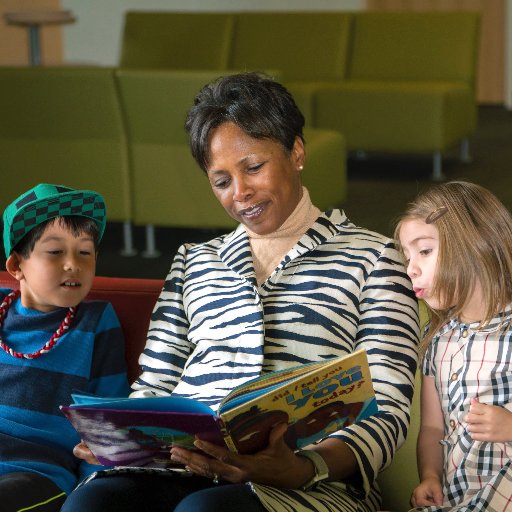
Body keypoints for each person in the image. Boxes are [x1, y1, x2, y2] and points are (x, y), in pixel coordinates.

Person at [63, 72, 419, 512]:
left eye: (253, 167)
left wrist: (303, 467)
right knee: (94, 502)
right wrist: (119, 440)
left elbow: (385, 406)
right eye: (221, 181)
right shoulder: (196, 259)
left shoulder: (375, 258)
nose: (241, 193)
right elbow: (155, 384)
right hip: (178, 468)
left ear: (297, 152)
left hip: (307, 484)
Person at [0, 183, 130, 511]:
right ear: (17, 266)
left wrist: (93, 487)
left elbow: (106, 417)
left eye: (85, 252)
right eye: (55, 252)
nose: (73, 264)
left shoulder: (96, 322)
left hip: (36, 471)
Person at [396, 180, 512, 511]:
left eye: (424, 251)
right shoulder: (437, 341)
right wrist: (430, 476)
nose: (410, 269)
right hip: (459, 492)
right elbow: (432, 425)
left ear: (475, 243)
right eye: (407, 257)